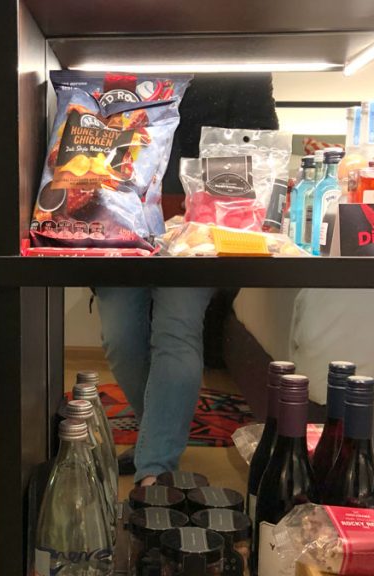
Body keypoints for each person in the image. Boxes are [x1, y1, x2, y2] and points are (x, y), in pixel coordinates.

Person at [95, 73, 279, 485]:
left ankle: (155, 469)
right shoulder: (125, 49)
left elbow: (260, 143)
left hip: (203, 215)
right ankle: (153, 439)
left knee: (176, 329)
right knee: (119, 336)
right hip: (119, 213)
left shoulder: (237, 60)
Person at [94, 287, 217, 485]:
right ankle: (155, 435)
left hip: (187, 261)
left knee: (177, 333)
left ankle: (156, 473)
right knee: (119, 340)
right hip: (124, 259)